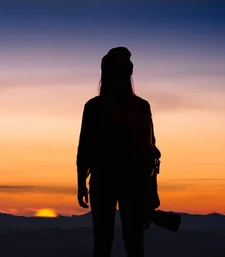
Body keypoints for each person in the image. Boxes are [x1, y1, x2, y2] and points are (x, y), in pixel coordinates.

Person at [76, 46, 160, 257]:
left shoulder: (94, 107)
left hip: (104, 181)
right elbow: (152, 149)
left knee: (103, 241)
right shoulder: (141, 106)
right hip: (134, 183)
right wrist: (152, 190)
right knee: (134, 242)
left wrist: (80, 183)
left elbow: (84, 148)